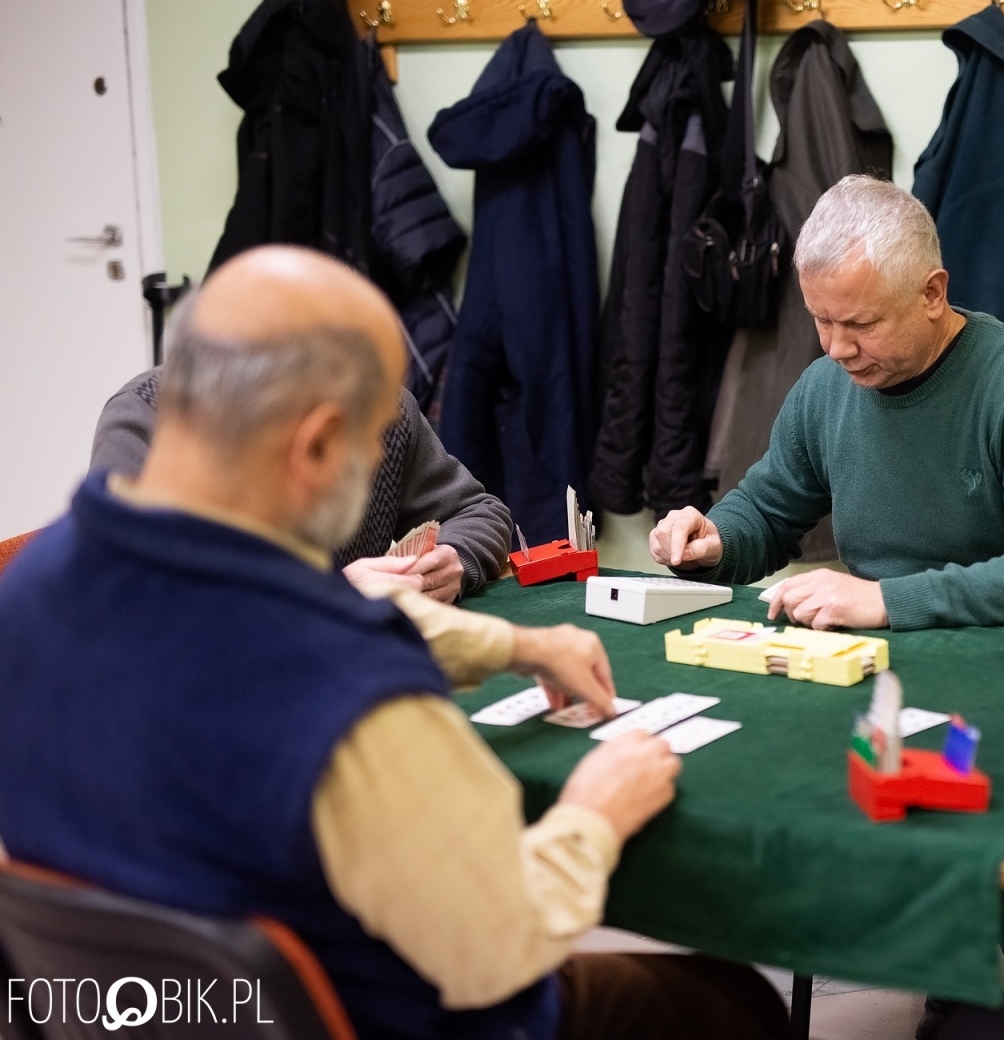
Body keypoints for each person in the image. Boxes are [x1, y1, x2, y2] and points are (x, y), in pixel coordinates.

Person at [0, 247, 787, 1040]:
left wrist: (513, 645)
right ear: (315, 446)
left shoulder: (28, 592)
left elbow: (263, 627)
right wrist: (592, 814)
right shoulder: (354, 699)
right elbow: (498, 946)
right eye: (374, 438)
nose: (384, 457)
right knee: (734, 1005)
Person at [648, 176, 1004, 630]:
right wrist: (716, 541)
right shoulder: (825, 387)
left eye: (861, 324)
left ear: (932, 294)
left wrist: (889, 600)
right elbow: (766, 513)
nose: (836, 348)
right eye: (821, 319)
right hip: (866, 649)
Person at [93, 366, 511, 605]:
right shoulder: (151, 418)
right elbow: (124, 592)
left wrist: (453, 560)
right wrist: (327, 598)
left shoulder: (379, 403)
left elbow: (477, 511)